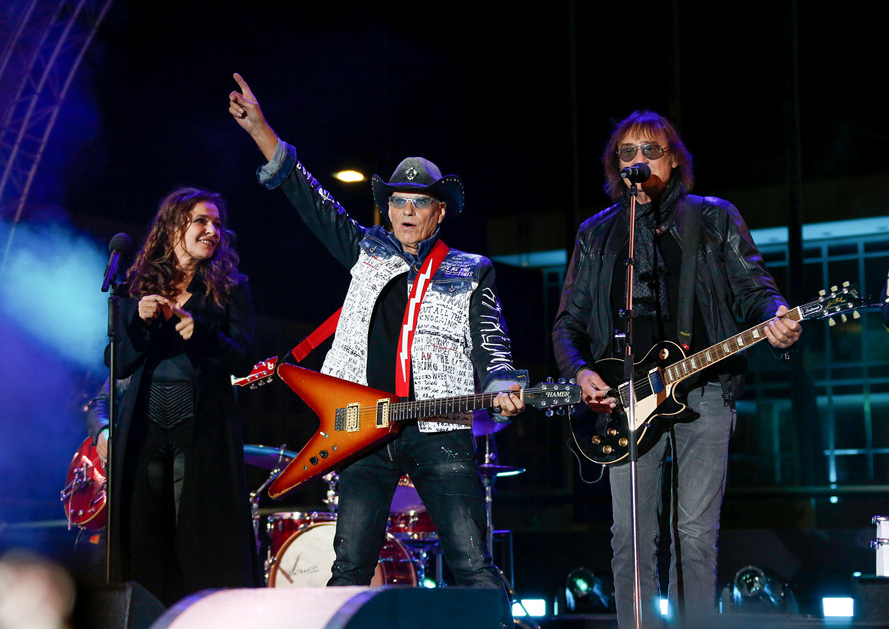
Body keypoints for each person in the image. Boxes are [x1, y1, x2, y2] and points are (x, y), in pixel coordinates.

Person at [227, 74, 526, 609]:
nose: (408, 211)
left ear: (439, 212)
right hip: (363, 426)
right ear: (388, 211)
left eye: (420, 203)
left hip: (438, 424)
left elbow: (490, 339)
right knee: (350, 565)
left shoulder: (469, 269)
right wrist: (262, 132)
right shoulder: (367, 251)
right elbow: (312, 202)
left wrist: (503, 381)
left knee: (471, 562)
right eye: (399, 202)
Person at [552, 111, 801, 627]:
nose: (638, 160)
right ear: (615, 165)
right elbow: (567, 323)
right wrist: (580, 372)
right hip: (624, 399)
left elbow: (753, 288)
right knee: (632, 537)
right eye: (627, 152)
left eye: (650, 150)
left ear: (673, 161)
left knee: (693, 534)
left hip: (705, 390)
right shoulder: (597, 234)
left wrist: (776, 318)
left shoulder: (711, 217)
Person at [107, 187, 258, 605]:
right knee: (146, 542)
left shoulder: (229, 288)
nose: (213, 230)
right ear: (174, 225)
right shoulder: (137, 286)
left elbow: (245, 359)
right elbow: (116, 362)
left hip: (201, 431)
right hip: (146, 432)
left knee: (199, 542)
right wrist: (138, 323)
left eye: (217, 224)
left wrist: (203, 332)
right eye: (202, 221)